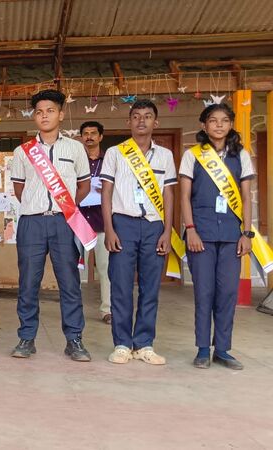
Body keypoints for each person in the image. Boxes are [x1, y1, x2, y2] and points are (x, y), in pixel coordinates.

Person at [10, 89, 93, 361]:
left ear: (61, 114)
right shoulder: (23, 152)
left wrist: (64, 207)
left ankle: (74, 339)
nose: (44, 116)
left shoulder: (75, 148)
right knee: (28, 283)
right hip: (32, 223)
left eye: (50, 111)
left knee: (69, 283)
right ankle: (26, 337)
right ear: (34, 116)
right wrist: (38, 206)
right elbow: (20, 189)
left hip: (64, 222)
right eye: (39, 111)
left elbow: (83, 185)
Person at [101, 100, 176, 365]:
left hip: (154, 227)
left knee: (150, 287)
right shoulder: (115, 152)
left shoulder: (165, 155)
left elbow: (168, 194)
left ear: (156, 122)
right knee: (120, 285)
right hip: (123, 224)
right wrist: (109, 229)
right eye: (136, 116)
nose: (141, 121)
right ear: (128, 122)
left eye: (147, 116)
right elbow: (107, 193)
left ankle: (144, 344)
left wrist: (167, 231)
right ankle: (121, 343)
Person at [180, 103, 254, 370]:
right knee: (204, 292)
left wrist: (246, 233)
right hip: (202, 233)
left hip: (232, 236)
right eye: (213, 120)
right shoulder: (193, 155)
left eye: (224, 120)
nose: (219, 125)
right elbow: (185, 196)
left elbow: (246, 198)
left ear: (231, 124)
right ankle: (202, 349)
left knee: (227, 293)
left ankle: (222, 349)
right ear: (204, 125)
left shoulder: (241, 155)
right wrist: (191, 230)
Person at [78, 121, 111, 324]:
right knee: (75, 268)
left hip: (103, 221)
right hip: (79, 221)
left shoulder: (109, 160)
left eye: (93, 133)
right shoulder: (76, 159)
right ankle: (73, 309)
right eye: (85, 133)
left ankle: (107, 310)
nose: (89, 136)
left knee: (106, 268)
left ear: (100, 137)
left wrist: (108, 191)